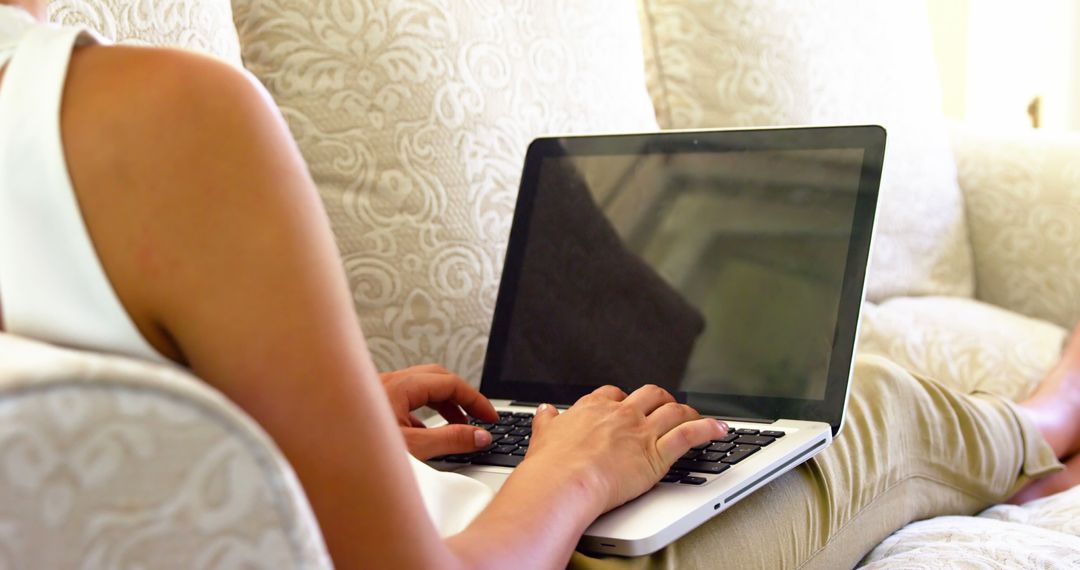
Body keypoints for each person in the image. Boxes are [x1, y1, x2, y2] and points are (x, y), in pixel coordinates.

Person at [0, 1, 1078, 567]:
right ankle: (1046, 418)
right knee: (865, 411)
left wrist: (280, 437)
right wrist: (568, 476)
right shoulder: (160, 119)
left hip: (359, 514)